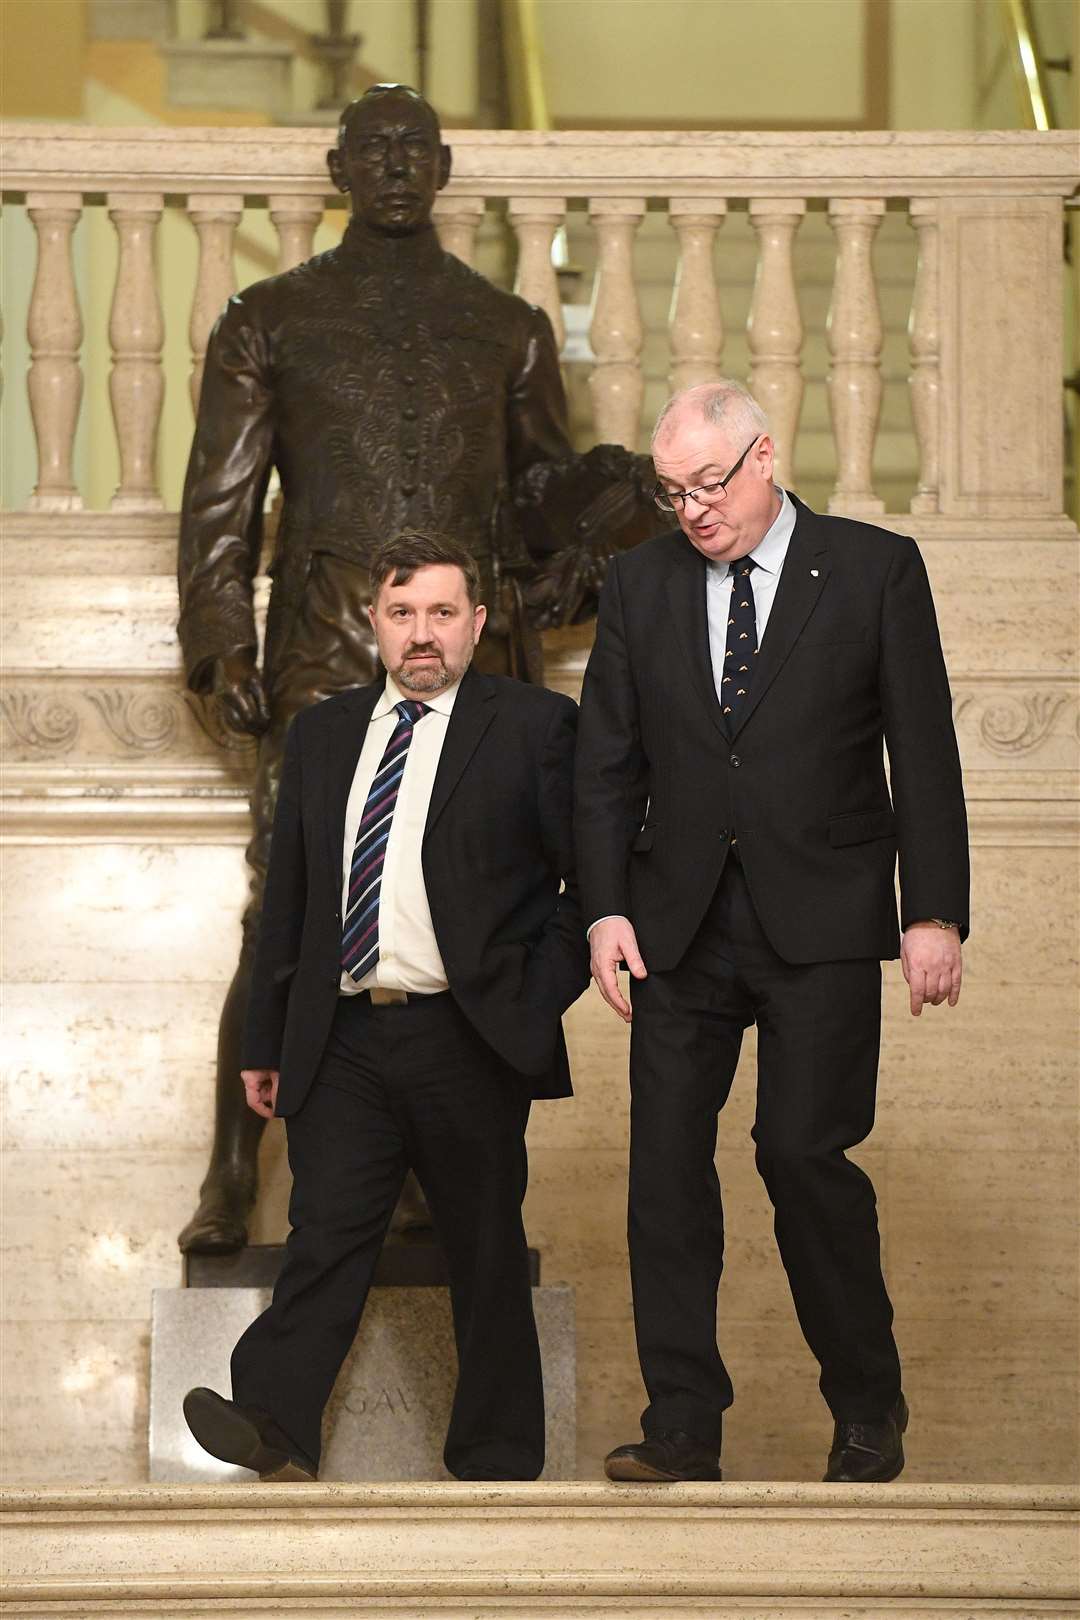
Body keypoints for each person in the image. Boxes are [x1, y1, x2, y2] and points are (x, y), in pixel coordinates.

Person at [176, 81, 655, 1254]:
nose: (394, 166)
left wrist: (609, 521)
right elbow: (223, 503)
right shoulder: (269, 315)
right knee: (286, 905)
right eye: (372, 150)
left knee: (467, 904)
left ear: (442, 168)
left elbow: (543, 495)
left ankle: (426, 1167)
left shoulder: (507, 326)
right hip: (327, 632)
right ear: (339, 169)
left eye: (413, 150)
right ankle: (235, 1167)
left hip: (471, 637)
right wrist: (219, 636)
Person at [574, 381, 969, 1484]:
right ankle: (683, 1428)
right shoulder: (638, 583)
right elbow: (606, 763)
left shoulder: (873, 568)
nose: (692, 511)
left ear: (765, 456)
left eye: (708, 484)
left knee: (800, 1156)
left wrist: (932, 911)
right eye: (672, 493)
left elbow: (923, 753)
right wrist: (604, 908)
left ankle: (866, 1408)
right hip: (677, 925)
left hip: (826, 917)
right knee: (663, 1175)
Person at [183, 530, 589, 1482]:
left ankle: (496, 1455)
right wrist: (266, 1038)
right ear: (372, 623)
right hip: (347, 1034)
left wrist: (530, 1002)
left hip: (468, 1034)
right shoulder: (325, 734)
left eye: (443, 614)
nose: (422, 635)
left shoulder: (531, 727)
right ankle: (274, 1422)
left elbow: (590, 887)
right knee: (325, 1234)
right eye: (402, 613)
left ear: (477, 624)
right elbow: (289, 900)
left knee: (484, 1249)